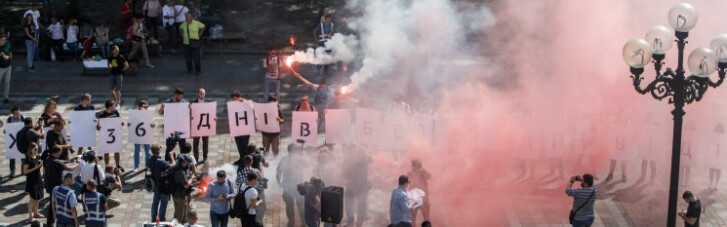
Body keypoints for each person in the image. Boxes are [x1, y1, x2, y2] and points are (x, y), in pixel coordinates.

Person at [45, 147, 80, 227]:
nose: (61, 153)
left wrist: (69, 160)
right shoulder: (56, 162)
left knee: (52, 203)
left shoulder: (48, 159)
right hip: (56, 184)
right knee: (55, 204)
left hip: (49, 184)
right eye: (60, 152)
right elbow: (69, 168)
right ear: (56, 152)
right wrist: (77, 164)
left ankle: (51, 222)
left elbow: (59, 162)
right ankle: (52, 222)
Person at [277, 144, 308, 227]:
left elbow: (278, 173)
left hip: (287, 185)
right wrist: (303, 153)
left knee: (289, 204)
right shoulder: (299, 158)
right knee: (301, 204)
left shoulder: (284, 159)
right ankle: (303, 222)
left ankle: (291, 222)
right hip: (298, 185)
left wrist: (279, 182)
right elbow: (308, 164)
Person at [96, 100, 123, 170]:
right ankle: (107, 166)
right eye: (114, 105)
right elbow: (98, 127)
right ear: (110, 106)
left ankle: (117, 165)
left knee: (117, 150)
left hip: (115, 134)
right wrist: (99, 127)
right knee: (106, 152)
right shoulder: (102, 115)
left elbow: (120, 121)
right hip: (106, 136)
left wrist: (121, 123)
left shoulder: (116, 112)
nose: (115, 106)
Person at [149, 144, 172, 222]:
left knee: (155, 203)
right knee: (163, 204)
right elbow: (172, 166)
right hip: (163, 186)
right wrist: (172, 157)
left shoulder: (150, 159)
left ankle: (153, 219)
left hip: (155, 185)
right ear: (158, 151)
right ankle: (161, 220)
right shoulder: (161, 161)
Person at [23, 142, 44, 223]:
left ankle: (36, 212)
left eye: (37, 149)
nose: (37, 150)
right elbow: (25, 171)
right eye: (35, 149)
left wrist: (40, 167)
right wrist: (35, 168)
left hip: (38, 179)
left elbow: (38, 168)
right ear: (31, 149)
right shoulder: (28, 159)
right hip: (31, 180)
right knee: (32, 199)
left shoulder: (38, 156)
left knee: (38, 197)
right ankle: (30, 216)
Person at [191, 88, 213, 163]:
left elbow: (211, 113)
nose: (202, 95)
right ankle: (196, 158)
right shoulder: (193, 103)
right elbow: (190, 113)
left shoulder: (208, 102)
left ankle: (205, 157)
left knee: (205, 142)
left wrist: (214, 118)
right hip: (197, 126)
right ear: (198, 94)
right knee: (196, 143)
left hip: (205, 125)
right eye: (201, 93)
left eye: (203, 93)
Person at [172, 154, 196, 224]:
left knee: (181, 212)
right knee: (179, 215)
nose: (188, 165)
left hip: (176, 194)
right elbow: (186, 185)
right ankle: (177, 225)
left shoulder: (177, 166)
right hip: (179, 196)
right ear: (183, 162)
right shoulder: (180, 172)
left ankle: (181, 224)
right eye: (187, 163)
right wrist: (191, 177)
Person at [132, 100, 156, 171]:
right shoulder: (135, 114)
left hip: (146, 135)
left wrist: (153, 125)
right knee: (137, 151)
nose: (146, 108)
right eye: (145, 107)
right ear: (140, 107)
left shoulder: (149, 114)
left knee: (147, 151)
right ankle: (136, 166)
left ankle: (147, 165)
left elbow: (153, 123)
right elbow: (131, 123)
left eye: (147, 107)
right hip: (137, 135)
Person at [229, 91, 251, 164]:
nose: (234, 101)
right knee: (239, 145)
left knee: (244, 145)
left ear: (239, 97)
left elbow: (252, 108)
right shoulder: (233, 105)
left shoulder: (246, 102)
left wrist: (244, 101)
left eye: (235, 99)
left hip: (245, 128)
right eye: (233, 100)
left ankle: (245, 160)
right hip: (237, 128)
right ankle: (241, 158)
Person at [407, 160, 431, 226]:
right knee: (412, 219)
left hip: (422, 199)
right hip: (416, 199)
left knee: (425, 219)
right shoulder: (409, 174)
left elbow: (429, 176)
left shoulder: (423, 173)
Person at [6, 106, 24, 177]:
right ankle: (12, 171)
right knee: (12, 156)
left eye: (18, 113)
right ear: (12, 113)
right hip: (12, 140)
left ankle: (24, 169)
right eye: (15, 113)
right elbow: (7, 128)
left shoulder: (23, 118)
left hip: (21, 139)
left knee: (23, 155)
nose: (17, 115)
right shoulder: (10, 119)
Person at [0, 34, 11, 103]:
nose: (4, 41)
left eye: (5, 40)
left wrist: (8, 57)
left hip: (8, 66)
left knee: (7, 82)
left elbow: (11, 55)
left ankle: (6, 97)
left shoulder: (7, 45)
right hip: (0, 68)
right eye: (2, 40)